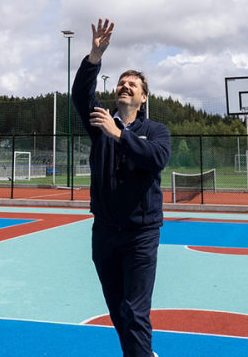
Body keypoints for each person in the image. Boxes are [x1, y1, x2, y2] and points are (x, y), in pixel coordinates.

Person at [72, 18, 171, 357]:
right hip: (104, 233)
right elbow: (79, 94)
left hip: (141, 234)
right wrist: (94, 56)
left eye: (132, 84)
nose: (125, 86)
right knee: (118, 310)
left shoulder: (156, 131)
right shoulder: (100, 122)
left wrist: (120, 135)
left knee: (135, 311)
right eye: (121, 83)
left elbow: (156, 158)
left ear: (143, 97)